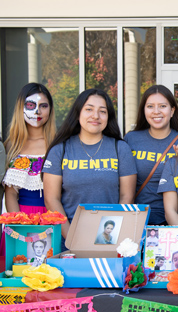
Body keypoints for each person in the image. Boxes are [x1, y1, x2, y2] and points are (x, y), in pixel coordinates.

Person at [43, 89, 137, 240]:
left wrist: (110, 236)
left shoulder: (120, 148)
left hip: (109, 237)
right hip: (67, 237)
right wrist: (71, 238)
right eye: (89, 109)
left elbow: (127, 196)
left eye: (102, 111)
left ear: (108, 117)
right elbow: (51, 199)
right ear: (78, 113)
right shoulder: (60, 150)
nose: (96, 116)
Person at [124, 85, 178, 225]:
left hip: (172, 221)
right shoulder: (131, 139)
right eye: (150, 106)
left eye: (162, 106)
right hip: (135, 219)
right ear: (144, 110)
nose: (156, 112)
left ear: (172, 111)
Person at [3, 83, 56, 214]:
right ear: (21, 108)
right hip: (20, 218)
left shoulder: (58, 144)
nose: (38, 111)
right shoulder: (11, 145)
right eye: (31, 106)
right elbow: (10, 194)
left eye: (43, 106)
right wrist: (18, 227)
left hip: (52, 216)